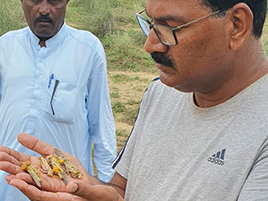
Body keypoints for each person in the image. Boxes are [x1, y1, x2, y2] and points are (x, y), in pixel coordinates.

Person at [1, 0, 268, 200]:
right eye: (151, 24)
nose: (150, 45)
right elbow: (122, 192)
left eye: (168, 27)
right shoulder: (161, 92)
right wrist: (88, 191)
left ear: (236, 26)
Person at [0, 0, 117, 200]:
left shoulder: (88, 49)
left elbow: (101, 126)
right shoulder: (5, 46)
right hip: (8, 183)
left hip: (65, 188)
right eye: (35, 0)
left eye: (54, 1)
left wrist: (108, 187)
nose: (44, 9)